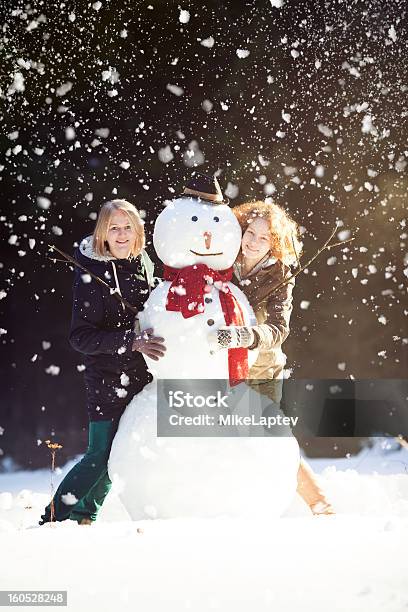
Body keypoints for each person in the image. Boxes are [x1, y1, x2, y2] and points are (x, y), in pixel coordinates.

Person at [39, 199, 166, 526]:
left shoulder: (145, 263)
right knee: (98, 456)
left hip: (142, 376)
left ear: (137, 230)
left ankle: (85, 518)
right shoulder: (90, 274)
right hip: (107, 378)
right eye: (114, 228)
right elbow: (80, 338)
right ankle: (52, 519)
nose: (122, 234)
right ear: (103, 234)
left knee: (119, 456)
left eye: (128, 227)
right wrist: (130, 341)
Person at [212, 199, 334, 515]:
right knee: (222, 439)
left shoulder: (280, 274)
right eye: (249, 233)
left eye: (263, 238)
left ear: (275, 242)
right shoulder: (223, 261)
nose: (252, 242)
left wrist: (247, 336)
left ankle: (320, 504)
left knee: (271, 439)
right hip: (219, 368)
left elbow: (279, 329)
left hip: (261, 369)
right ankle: (227, 506)